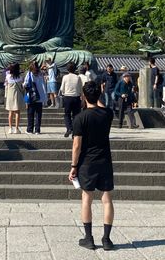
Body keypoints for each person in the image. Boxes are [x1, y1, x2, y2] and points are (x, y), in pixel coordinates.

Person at [69, 81, 115, 251]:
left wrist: (74, 166)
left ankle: (89, 238)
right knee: (107, 198)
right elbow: (100, 106)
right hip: (105, 161)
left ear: (83, 96)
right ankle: (107, 239)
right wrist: (98, 96)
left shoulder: (80, 118)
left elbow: (76, 146)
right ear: (99, 96)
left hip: (87, 162)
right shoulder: (107, 114)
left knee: (87, 198)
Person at [23, 61, 47, 134]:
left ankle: (30, 129)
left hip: (31, 97)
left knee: (30, 113)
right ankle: (37, 130)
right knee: (38, 114)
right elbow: (43, 85)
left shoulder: (29, 74)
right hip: (40, 97)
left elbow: (25, 84)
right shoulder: (41, 74)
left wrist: (22, 85)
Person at [60, 62, 82, 138]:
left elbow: (62, 89)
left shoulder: (65, 77)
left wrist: (64, 93)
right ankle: (74, 132)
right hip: (76, 97)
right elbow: (80, 89)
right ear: (75, 69)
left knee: (67, 114)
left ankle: (69, 128)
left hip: (67, 97)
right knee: (76, 115)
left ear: (67, 69)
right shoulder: (78, 77)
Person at [4, 63, 25, 134]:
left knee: (10, 112)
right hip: (18, 96)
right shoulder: (20, 77)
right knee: (17, 112)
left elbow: (5, 86)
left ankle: (10, 128)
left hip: (10, 95)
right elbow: (22, 87)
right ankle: (16, 128)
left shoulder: (8, 76)